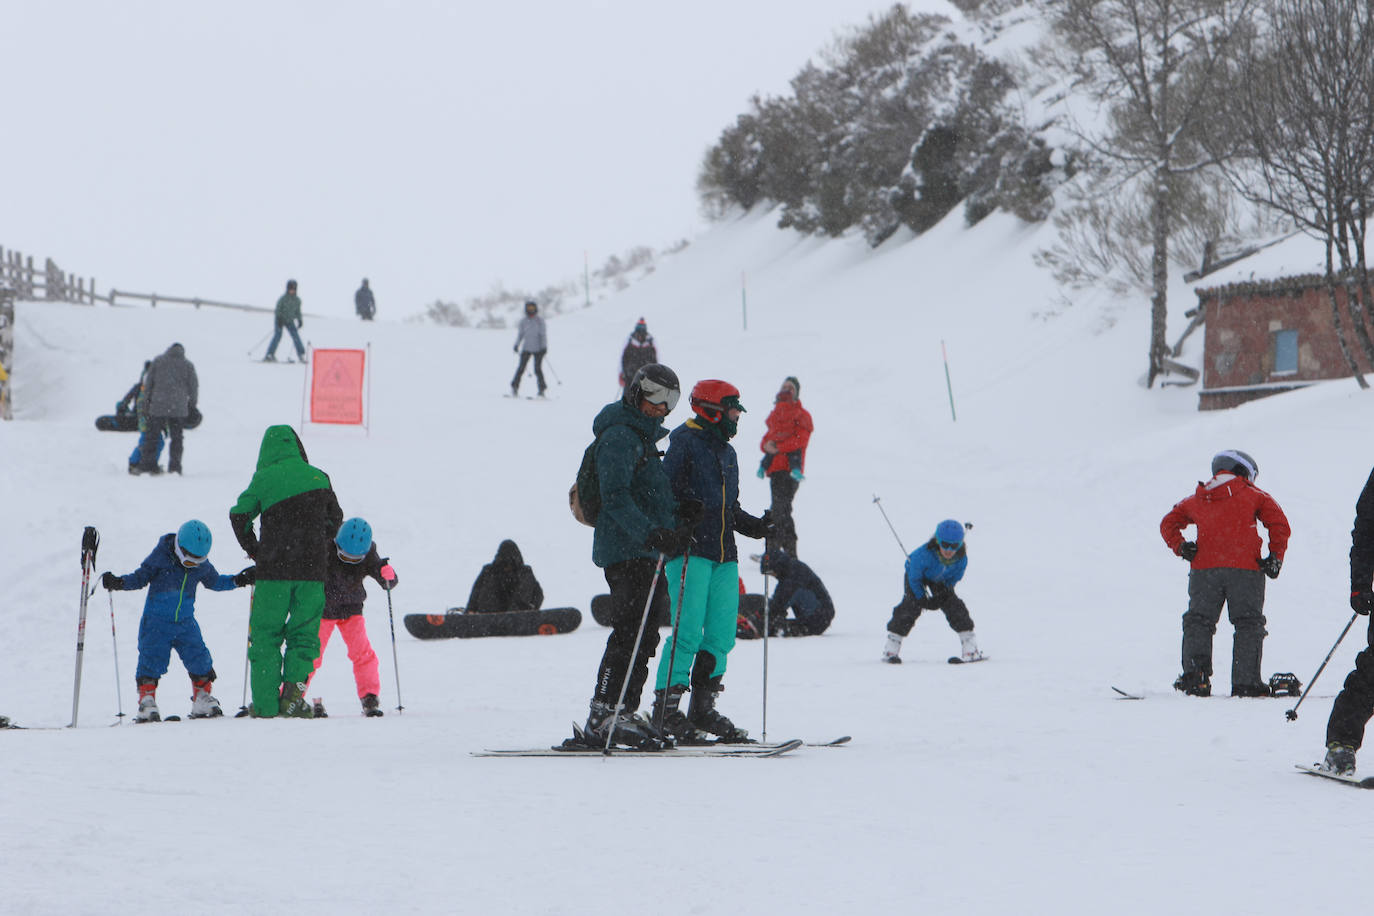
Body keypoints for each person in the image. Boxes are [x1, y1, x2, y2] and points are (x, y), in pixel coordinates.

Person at [566, 363, 693, 751]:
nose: (661, 407)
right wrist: (650, 532)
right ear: (636, 391)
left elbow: (649, 496)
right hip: (625, 549)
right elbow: (616, 496)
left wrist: (677, 517)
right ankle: (604, 713)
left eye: (670, 400)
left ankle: (621, 709)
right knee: (630, 631)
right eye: (655, 396)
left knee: (645, 633)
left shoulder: (641, 438)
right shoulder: (620, 436)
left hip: (644, 549)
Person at [649, 380, 772, 744]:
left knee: (720, 635)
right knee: (687, 632)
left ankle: (702, 708)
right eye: (733, 410)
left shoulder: (727, 452)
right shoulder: (683, 443)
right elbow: (664, 494)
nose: (736, 417)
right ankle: (665, 712)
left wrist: (756, 526)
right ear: (712, 410)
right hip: (690, 552)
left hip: (723, 554)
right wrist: (679, 517)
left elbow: (728, 509)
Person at [229, 424, 343, 718]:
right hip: (312, 574)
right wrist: (317, 542)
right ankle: (293, 699)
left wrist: (255, 549)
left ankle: (266, 704)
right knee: (304, 634)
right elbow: (335, 519)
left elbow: (239, 514)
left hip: (273, 571)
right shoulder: (319, 476)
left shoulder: (264, 478)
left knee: (266, 634)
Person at [1160, 449, 1289, 697]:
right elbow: (1279, 523)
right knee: (1248, 623)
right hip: (1246, 571)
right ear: (1244, 472)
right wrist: (1275, 558)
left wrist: (1181, 546)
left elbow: (1168, 522)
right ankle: (1246, 682)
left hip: (1204, 570)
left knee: (1199, 621)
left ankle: (1195, 678)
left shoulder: (1198, 498)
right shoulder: (1254, 495)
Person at [100, 520, 254, 722]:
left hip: (185, 623)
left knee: (199, 658)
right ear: (179, 549)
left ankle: (201, 698)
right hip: (156, 622)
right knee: (151, 659)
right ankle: (147, 701)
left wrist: (238, 580)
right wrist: (119, 583)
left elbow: (215, 582)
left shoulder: (200, 566)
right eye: (189, 561)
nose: (194, 565)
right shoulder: (160, 557)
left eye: (198, 561)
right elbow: (140, 577)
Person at [304, 517, 397, 718]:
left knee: (362, 653)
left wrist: (387, 575)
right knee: (312, 655)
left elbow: (383, 577)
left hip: (352, 609)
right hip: (324, 610)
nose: (349, 561)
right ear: (337, 544)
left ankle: (369, 696)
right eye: (344, 556)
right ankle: (293, 695)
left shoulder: (369, 551)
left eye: (355, 559)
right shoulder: (325, 547)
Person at [881, 519, 982, 664]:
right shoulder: (922, 555)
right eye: (945, 544)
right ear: (937, 541)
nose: (949, 550)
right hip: (917, 579)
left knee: (954, 606)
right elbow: (914, 578)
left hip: (942, 581)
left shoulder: (961, 559)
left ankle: (970, 648)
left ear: (960, 544)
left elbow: (955, 577)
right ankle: (891, 649)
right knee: (910, 607)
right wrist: (922, 598)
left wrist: (944, 593)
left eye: (954, 546)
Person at [757, 376, 813, 557]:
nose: (787, 389)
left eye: (791, 387)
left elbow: (800, 440)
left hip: (790, 470)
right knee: (779, 510)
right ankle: (779, 554)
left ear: (797, 393)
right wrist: (766, 446)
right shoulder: (775, 414)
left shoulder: (802, 415)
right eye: (785, 386)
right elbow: (766, 439)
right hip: (775, 470)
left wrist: (777, 447)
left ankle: (783, 554)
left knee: (781, 510)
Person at [136, 342, 198, 476]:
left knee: (152, 436)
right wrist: (192, 405)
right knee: (177, 439)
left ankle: (148, 465)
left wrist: (146, 403)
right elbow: (193, 388)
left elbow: (148, 384)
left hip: (157, 406)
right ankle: (175, 467)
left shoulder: (158, 361)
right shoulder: (187, 365)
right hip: (178, 409)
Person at [757, 548, 834, 636]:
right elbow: (779, 599)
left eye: (771, 572)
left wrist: (761, 616)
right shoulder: (791, 569)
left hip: (818, 618)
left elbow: (780, 601)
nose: (773, 576)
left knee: (777, 629)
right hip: (817, 616)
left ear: (777, 566)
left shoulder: (793, 576)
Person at [466, 539, 543, 613]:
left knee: (525, 580)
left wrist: (532, 609)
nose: (507, 567)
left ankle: (516, 612)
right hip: (489, 614)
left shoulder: (525, 573)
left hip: (518, 615)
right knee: (491, 578)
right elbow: (476, 591)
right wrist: (470, 610)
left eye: (509, 564)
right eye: (504, 564)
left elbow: (538, 594)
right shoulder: (489, 571)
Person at [124, 359, 165, 475]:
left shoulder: (148, 380)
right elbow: (143, 402)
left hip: (148, 416)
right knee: (149, 441)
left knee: (154, 441)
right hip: (148, 417)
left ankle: (145, 463)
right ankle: (135, 462)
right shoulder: (149, 381)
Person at [510, 300, 547, 397]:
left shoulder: (539, 321)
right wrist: (516, 345)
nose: (530, 310)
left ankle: (542, 389)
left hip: (538, 349)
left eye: (532, 308)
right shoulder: (523, 322)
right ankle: (514, 387)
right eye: (529, 308)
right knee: (521, 368)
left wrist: (544, 347)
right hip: (526, 348)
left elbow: (543, 335)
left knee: (537, 369)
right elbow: (520, 335)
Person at [264, 279, 306, 363]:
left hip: (289, 321)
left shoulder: (297, 300)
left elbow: (298, 311)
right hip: (279, 319)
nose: (292, 291)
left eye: (294, 289)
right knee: (278, 335)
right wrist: (279, 319)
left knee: (295, 336)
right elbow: (278, 310)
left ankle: (301, 354)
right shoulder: (283, 299)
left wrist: (300, 320)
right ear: (287, 289)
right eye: (290, 289)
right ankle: (270, 354)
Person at [619, 318, 657, 391]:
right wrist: (623, 373)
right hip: (630, 376)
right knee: (629, 395)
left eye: (642, 332)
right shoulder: (630, 344)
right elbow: (624, 359)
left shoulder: (650, 345)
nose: (640, 335)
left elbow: (655, 362)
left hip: (645, 377)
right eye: (639, 332)